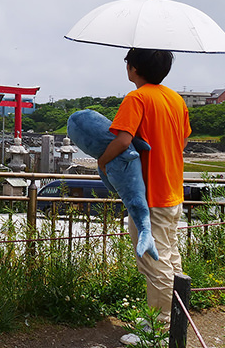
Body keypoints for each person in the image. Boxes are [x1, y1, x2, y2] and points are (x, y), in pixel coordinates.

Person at [96, 48, 190, 340]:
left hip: (150, 196)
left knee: (153, 261)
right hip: (172, 190)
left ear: (134, 68)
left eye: (127, 62)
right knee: (170, 257)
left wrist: (102, 161)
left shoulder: (136, 98)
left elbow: (123, 140)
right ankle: (175, 318)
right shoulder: (175, 99)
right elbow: (183, 140)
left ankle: (159, 330)